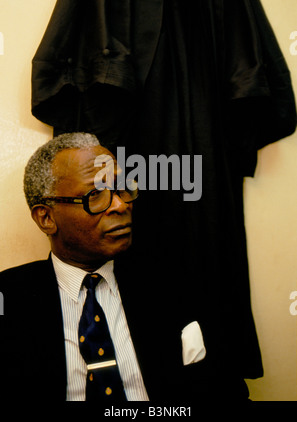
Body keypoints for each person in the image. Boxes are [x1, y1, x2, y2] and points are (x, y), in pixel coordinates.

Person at [0, 132, 249, 403]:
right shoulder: (9, 300)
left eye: (122, 188)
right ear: (46, 217)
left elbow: (226, 389)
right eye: (95, 194)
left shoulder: (173, 280)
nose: (120, 205)